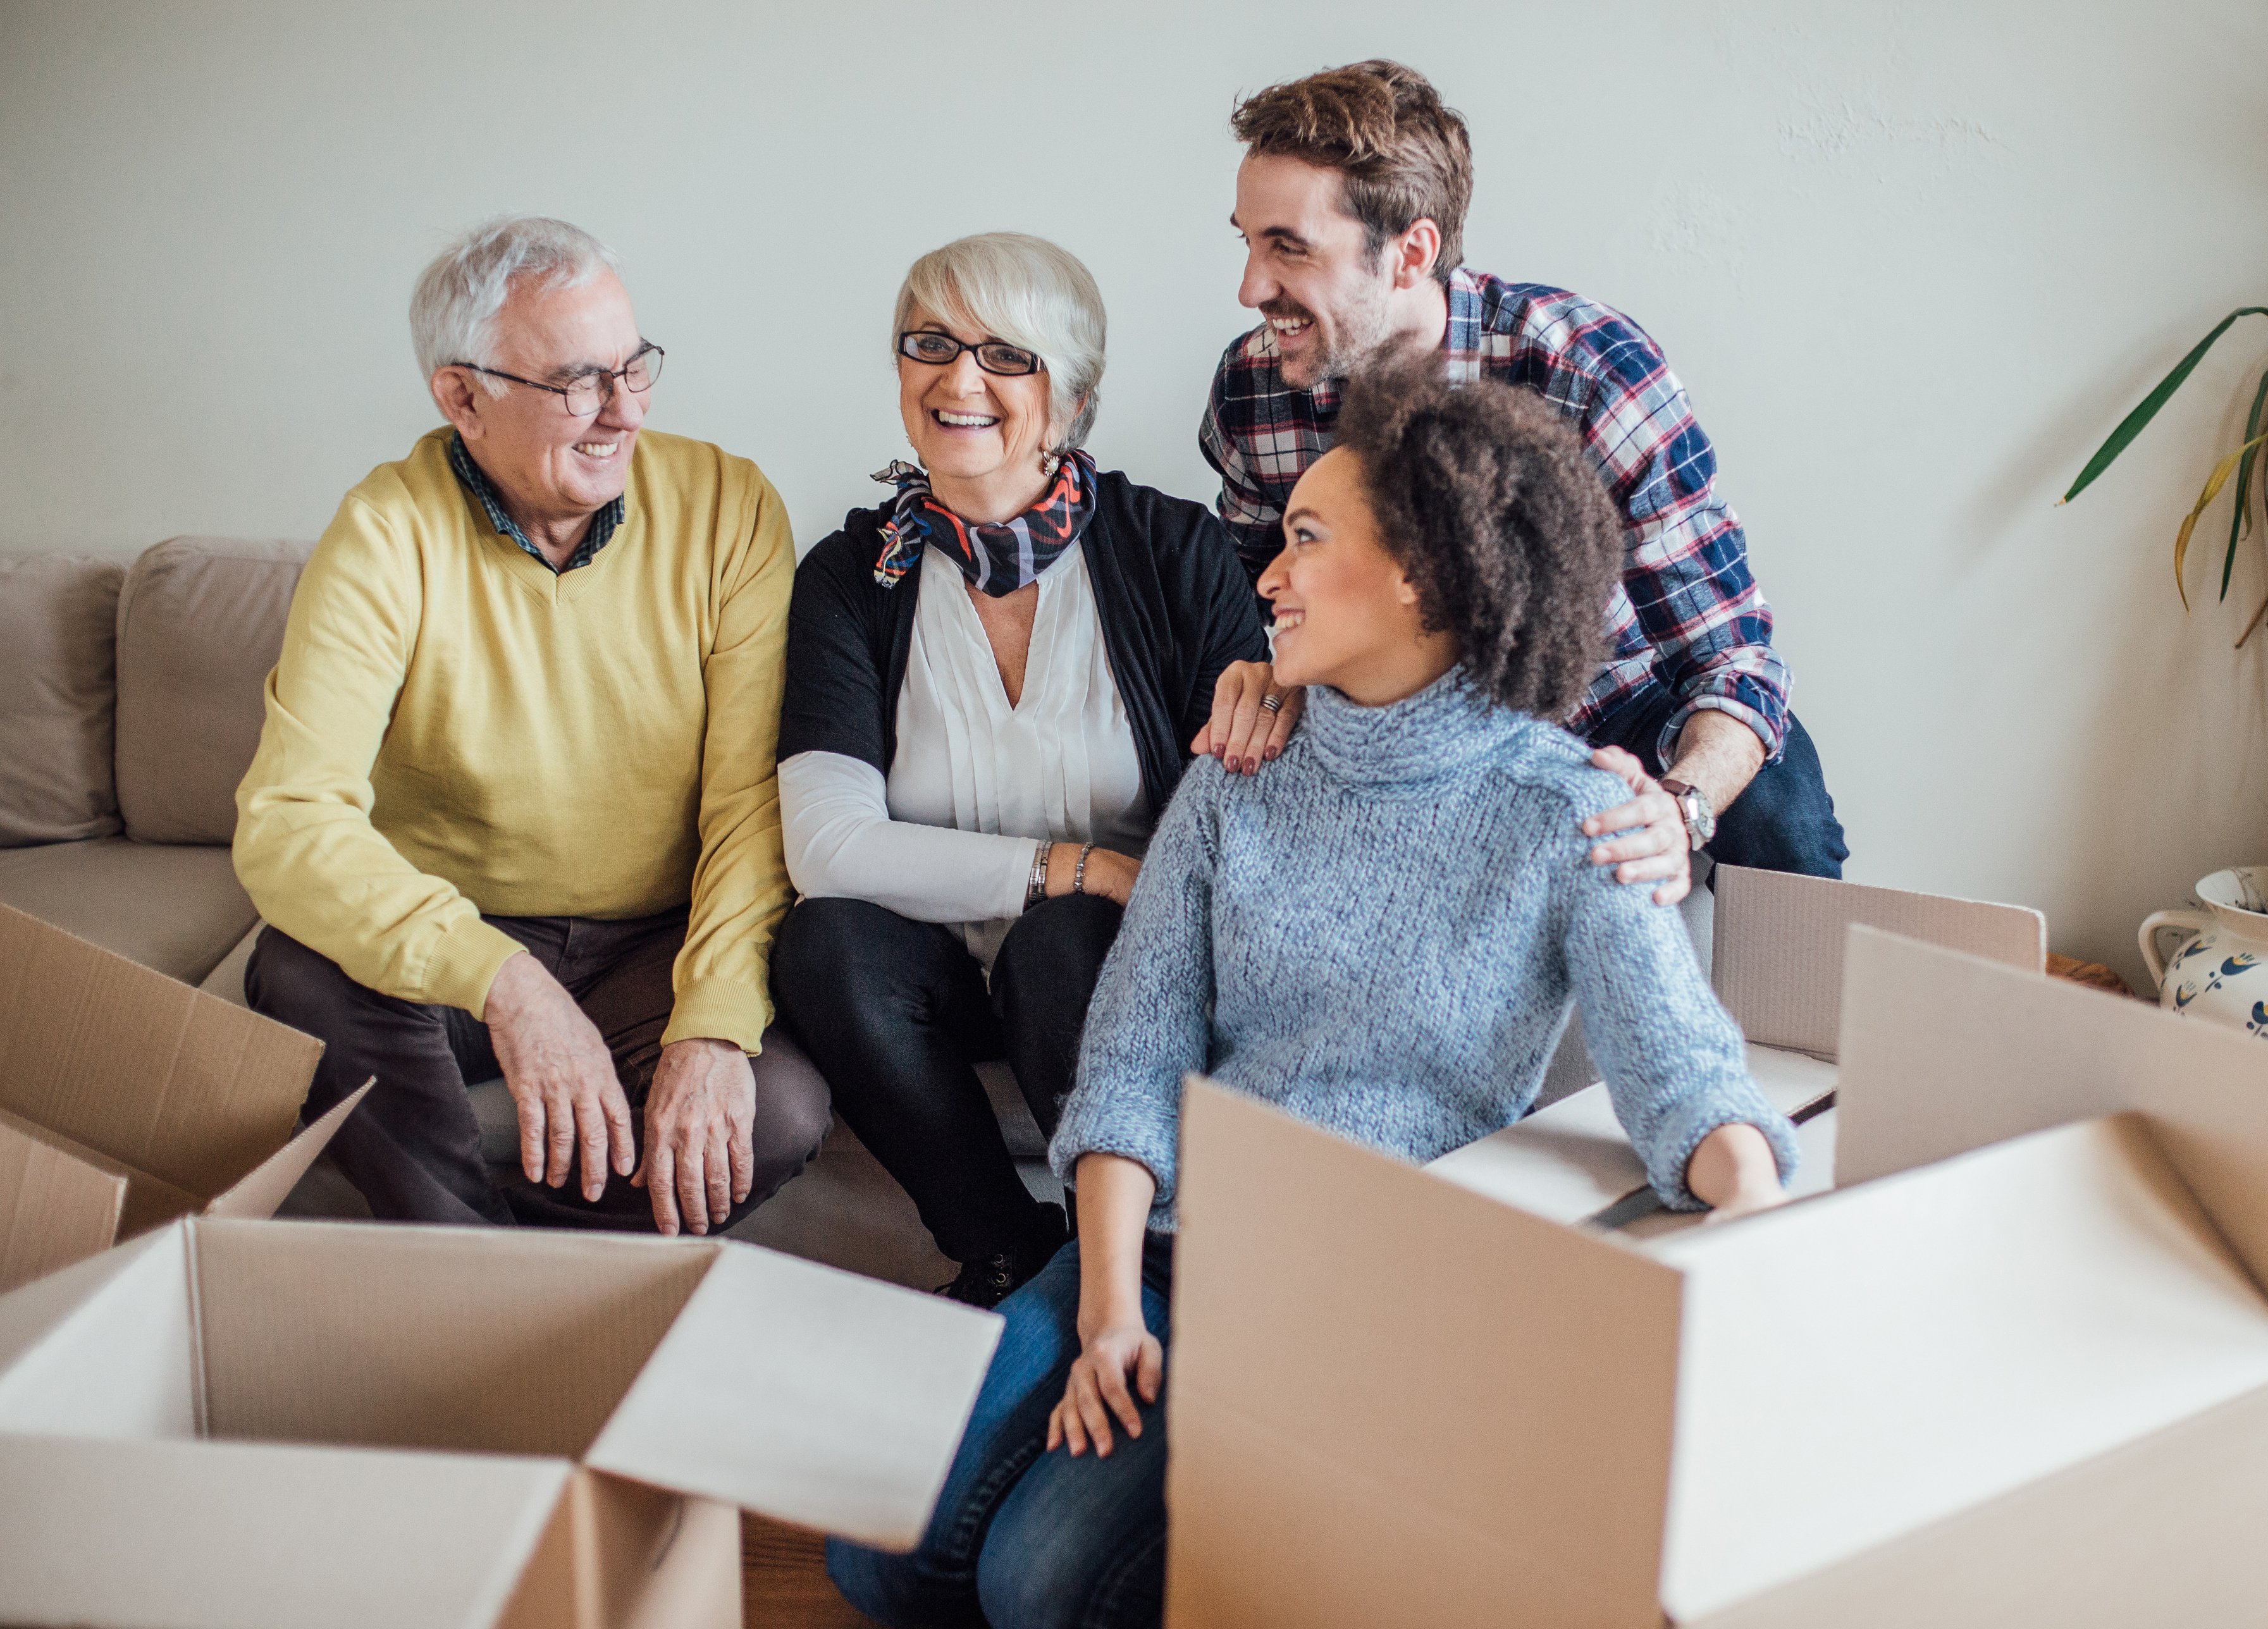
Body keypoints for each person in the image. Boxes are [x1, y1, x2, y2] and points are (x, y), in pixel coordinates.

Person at [827, 365, 1801, 1629]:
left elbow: (1689, 1084)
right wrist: (1110, 1309)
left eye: (1303, 540)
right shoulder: (1242, 771)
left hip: (1351, 1297)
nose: (1268, 576)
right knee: (875, 1545)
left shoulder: (1571, 812)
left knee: (1033, 1581)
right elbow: (1132, 1055)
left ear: (1424, 578)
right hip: (1165, 1251)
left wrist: (1767, 1251)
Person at [235, 216, 829, 1237]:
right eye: (576, 384)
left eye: (634, 368)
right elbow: (290, 822)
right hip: (465, 922)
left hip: (658, 936)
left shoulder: (730, 505)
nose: (623, 414)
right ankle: (476, 1278)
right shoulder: (386, 534)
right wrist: (503, 983)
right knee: (296, 976)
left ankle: (511, 1264)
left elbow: (749, 805)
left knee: (777, 1111)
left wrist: (716, 1027)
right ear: (462, 396)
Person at [1195, 59, 1847, 891]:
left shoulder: (1588, 369)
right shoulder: (1255, 388)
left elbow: (1731, 658)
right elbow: (1261, 586)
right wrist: (1266, 667)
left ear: (1410, 252)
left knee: (1781, 815)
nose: (1252, 287)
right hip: (1405, 730)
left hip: (1615, 705)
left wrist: (1679, 805)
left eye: (1288, 249)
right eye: (1248, 243)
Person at [768, 234, 1270, 1308]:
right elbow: (827, 848)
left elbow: (1237, 817)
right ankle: (1005, 1251)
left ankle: (1152, 1262)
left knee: (1060, 942)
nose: (959, 380)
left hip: (1116, 970)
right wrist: (1079, 864)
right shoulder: (854, 576)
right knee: (826, 942)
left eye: (1008, 355)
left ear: (1075, 395)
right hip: (936, 979)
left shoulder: (1175, 551)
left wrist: (1095, 898)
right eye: (932, 343)